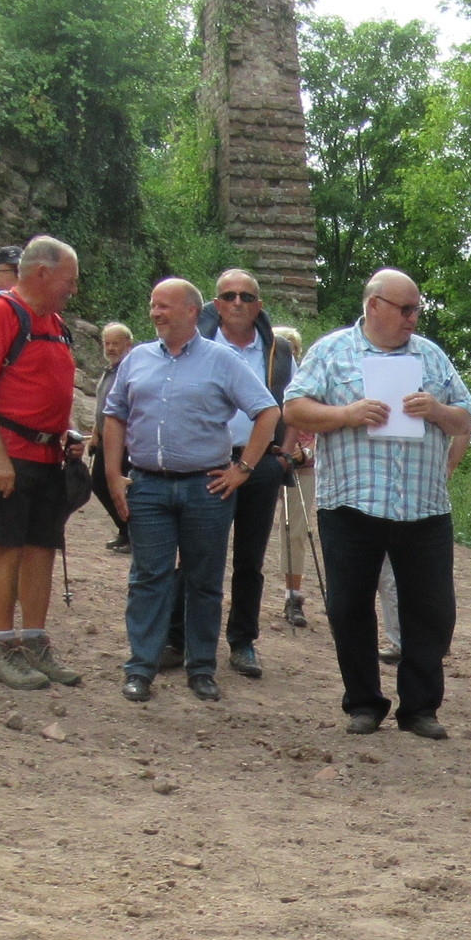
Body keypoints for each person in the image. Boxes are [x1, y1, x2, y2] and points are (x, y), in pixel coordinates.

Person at [282, 269, 471, 737]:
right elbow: (293, 407)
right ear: (374, 306)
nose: (413, 317)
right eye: (405, 308)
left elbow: (466, 418)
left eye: (417, 309)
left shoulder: (431, 355)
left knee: (432, 610)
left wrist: (437, 410)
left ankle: (420, 708)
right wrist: (346, 414)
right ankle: (364, 703)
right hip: (351, 502)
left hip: (423, 505)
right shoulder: (331, 351)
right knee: (349, 606)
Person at [103, 278, 280, 705]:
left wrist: (243, 469)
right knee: (148, 578)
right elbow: (114, 415)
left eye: (164, 306)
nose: (155, 313)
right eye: (153, 305)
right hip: (147, 484)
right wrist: (111, 473)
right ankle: (140, 668)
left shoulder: (222, 360)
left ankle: (201, 668)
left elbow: (268, 411)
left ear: (191, 311)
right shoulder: (137, 358)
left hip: (206, 487)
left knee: (204, 580)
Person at [0, 235, 83, 692]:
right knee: (6, 547)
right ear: (43, 273)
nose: (74, 289)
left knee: (41, 549)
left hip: (46, 454)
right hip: (5, 452)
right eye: (69, 280)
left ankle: (34, 642)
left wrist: (67, 433)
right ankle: (2, 647)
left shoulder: (55, 322)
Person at [169, 269, 295, 683]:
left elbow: (293, 402)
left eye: (246, 296)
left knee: (250, 559)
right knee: (196, 553)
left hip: (260, 464)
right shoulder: (197, 344)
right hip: (210, 461)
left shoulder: (277, 351)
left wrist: (284, 453)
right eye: (228, 296)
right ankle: (177, 637)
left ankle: (242, 641)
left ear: (259, 305)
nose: (237, 303)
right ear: (216, 304)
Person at [269, 325, 316, 623]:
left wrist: (305, 453)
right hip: (263, 459)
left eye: (293, 349)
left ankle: (292, 596)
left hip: (303, 466)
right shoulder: (261, 380)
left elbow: (322, 430)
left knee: (295, 530)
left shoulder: (312, 387)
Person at [90, 321, 137, 552]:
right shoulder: (109, 370)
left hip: (123, 442)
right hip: (105, 439)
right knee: (99, 483)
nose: (110, 348)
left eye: (115, 344)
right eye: (107, 343)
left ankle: (132, 533)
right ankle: (125, 529)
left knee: (116, 485)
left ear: (128, 344)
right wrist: (95, 433)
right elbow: (103, 406)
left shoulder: (129, 371)